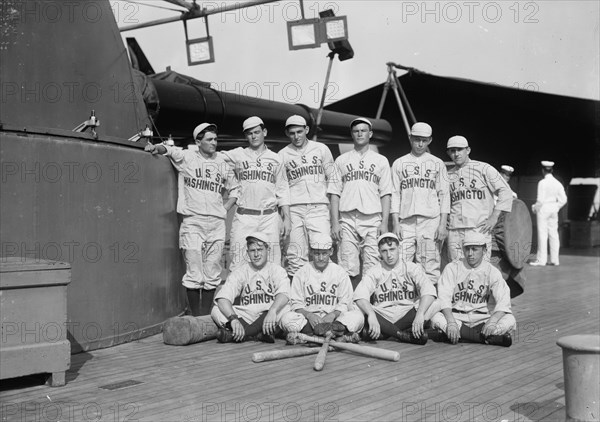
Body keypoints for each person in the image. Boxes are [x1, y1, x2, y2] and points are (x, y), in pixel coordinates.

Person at [145, 123, 239, 316]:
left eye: (215, 139)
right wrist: (157, 147)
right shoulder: (188, 157)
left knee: (213, 269)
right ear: (198, 141)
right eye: (209, 140)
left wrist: (225, 208)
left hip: (216, 222)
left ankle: (205, 318)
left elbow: (236, 189)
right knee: (194, 268)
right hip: (193, 220)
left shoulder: (221, 161)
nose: (214, 143)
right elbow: (170, 150)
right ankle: (196, 317)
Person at [328, 117, 393, 287]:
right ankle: (350, 305)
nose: (360, 134)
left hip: (372, 218)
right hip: (347, 217)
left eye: (363, 130)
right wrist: (335, 223)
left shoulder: (381, 160)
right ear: (352, 134)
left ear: (370, 134)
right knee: (347, 264)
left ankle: (370, 306)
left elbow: (386, 194)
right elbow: (334, 193)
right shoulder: (341, 160)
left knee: (372, 264)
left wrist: (384, 223)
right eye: (356, 131)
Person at [223, 116, 291, 271]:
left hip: (269, 216)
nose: (253, 136)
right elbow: (212, 157)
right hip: (244, 215)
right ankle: (240, 295)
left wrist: (286, 219)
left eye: (256, 132)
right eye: (249, 133)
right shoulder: (238, 154)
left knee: (273, 261)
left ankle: (271, 295)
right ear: (245, 136)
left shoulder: (275, 158)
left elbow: (282, 190)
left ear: (264, 132)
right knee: (238, 260)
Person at [430, 231, 516, 347]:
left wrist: (493, 321)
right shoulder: (452, 268)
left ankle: (458, 336)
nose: (470, 253)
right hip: (456, 317)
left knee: (510, 320)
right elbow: (443, 298)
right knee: (436, 317)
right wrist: (450, 322)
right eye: (467, 249)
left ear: (484, 250)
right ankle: (485, 338)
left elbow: (504, 300)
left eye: (474, 249)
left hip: (482, 319)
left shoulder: (492, 271)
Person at [350, 233, 436, 345]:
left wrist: (420, 314)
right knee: (357, 306)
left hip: (408, 313)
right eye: (384, 251)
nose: (389, 255)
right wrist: (371, 314)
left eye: (392, 249)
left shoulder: (411, 267)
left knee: (435, 303)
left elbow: (429, 291)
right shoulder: (374, 270)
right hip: (383, 314)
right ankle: (403, 335)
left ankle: (384, 333)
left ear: (399, 248)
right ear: (379, 252)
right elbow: (360, 296)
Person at [390, 122, 449, 284]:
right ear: (410, 138)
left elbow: (444, 195)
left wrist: (442, 224)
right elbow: (395, 195)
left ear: (430, 140)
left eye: (424, 140)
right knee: (400, 261)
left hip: (430, 220)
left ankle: (429, 304)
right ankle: (405, 304)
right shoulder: (399, 163)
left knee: (428, 264)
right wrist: (395, 223)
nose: (420, 144)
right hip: (406, 221)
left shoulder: (437, 163)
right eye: (417, 139)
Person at [278, 115, 335, 279]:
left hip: (318, 207)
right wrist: (286, 217)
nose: (296, 136)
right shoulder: (282, 154)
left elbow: (333, 181)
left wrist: (332, 213)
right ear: (287, 134)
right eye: (292, 133)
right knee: (295, 256)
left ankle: (323, 297)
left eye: (300, 132)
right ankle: (298, 300)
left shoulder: (321, 149)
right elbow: (282, 189)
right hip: (295, 209)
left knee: (322, 250)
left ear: (307, 130)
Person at [279, 236, 363, 342]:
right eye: (317, 254)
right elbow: (296, 304)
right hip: (309, 321)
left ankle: (313, 336)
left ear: (331, 251)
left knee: (358, 316)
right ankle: (336, 335)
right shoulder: (301, 273)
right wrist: (309, 315)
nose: (321, 258)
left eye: (324, 253)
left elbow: (345, 303)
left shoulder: (340, 273)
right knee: (286, 318)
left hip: (335, 320)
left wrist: (333, 315)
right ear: (311, 252)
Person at [211, 232, 290, 343]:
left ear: (268, 250)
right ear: (247, 253)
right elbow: (223, 298)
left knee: (285, 307)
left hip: (269, 314)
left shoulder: (277, 270)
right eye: (253, 251)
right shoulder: (240, 272)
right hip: (247, 315)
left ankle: (244, 334)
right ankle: (259, 334)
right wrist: (233, 319)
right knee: (216, 310)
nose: (256, 254)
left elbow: (284, 294)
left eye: (260, 249)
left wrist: (272, 310)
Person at [446, 135, 513, 261]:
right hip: (455, 231)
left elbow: (505, 191)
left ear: (468, 150)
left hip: (478, 229)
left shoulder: (483, 168)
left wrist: (494, 217)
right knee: (456, 271)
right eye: (452, 150)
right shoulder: (448, 175)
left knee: (479, 271)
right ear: (448, 152)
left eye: (460, 150)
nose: (456, 154)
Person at [530, 161, 567, 266]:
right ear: (552, 170)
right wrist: (557, 207)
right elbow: (564, 199)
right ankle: (555, 260)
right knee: (554, 234)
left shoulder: (542, 183)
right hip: (553, 209)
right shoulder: (557, 183)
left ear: (543, 171)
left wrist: (534, 208)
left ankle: (542, 260)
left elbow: (540, 200)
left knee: (542, 234)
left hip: (543, 209)